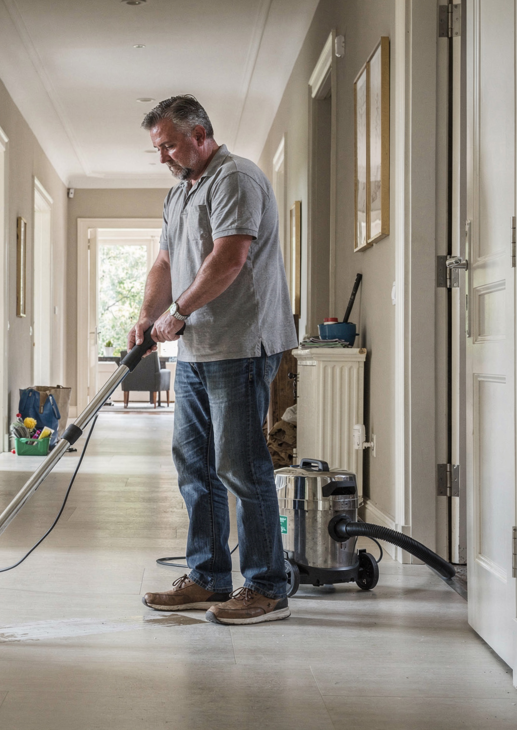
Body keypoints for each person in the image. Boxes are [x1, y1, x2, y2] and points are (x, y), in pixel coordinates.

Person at [133, 95, 298, 625]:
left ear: (200, 135)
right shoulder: (180, 192)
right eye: (158, 148)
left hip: (240, 343)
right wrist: (148, 316)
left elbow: (229, 259)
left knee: (241, 466)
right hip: (198, 349)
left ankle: (267, 587)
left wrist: (178, 312)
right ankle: (208, 577)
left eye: (169, 146)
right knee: (195, 464)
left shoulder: (235, 178)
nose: (163, 157)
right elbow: (164, 261)